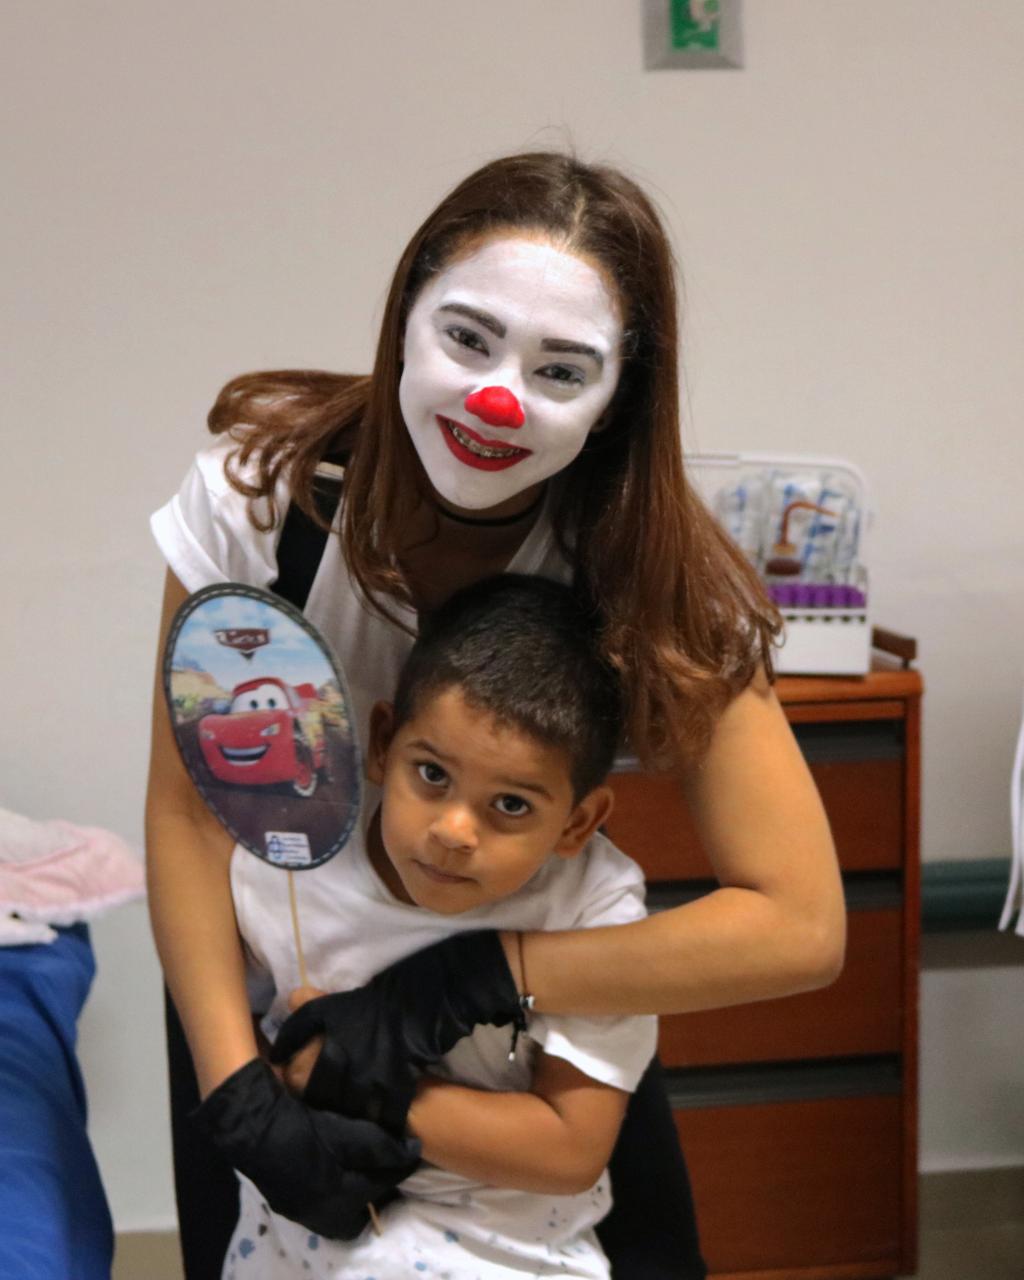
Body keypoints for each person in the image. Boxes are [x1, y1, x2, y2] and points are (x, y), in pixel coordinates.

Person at [147, 150, 846, 1279]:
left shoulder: (645, 567)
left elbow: (800, 924)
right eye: (468, 338)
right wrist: (236, 1088)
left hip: (523, 1034)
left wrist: (474, 978)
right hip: (278, 1021)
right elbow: (190, 814)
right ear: (404, 319)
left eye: (561, 369)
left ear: (616, 400)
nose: (495, 398)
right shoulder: (263, 502)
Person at [217, 574, 657, 1279]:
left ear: (578, 822)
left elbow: (570, 1150)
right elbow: (236, 1041)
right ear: (383, 743)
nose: (454, 831)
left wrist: (352, 1083)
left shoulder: (592, 911)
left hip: (511, 1257)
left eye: (510, 806)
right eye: (431, 774)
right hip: (296, 1253)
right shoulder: (285, 866)